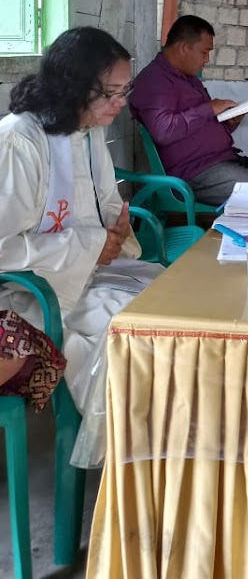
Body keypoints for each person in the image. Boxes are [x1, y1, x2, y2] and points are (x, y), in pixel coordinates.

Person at [0, 27, 163, 414]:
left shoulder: (85, 133)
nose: (121, 103)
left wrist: (118, 230)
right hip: (26, 293)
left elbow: (104, 205)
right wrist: (92, 245)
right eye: (112, 92)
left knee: (170, 307)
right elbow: (3, 247)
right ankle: (135, 455)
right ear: (73, 86)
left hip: (80, 275)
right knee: (132, 343)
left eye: (126, 91)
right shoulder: (19, 142)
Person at [128, 14, 248, 208]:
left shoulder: (189, 79)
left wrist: (229, 124)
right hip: (196, 171)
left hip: (226, 159)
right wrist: (209, 108)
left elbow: (198, 125)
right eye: (204, 52)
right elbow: (163, 131)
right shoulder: (154, 81)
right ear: (184, 48)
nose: (206, 60)